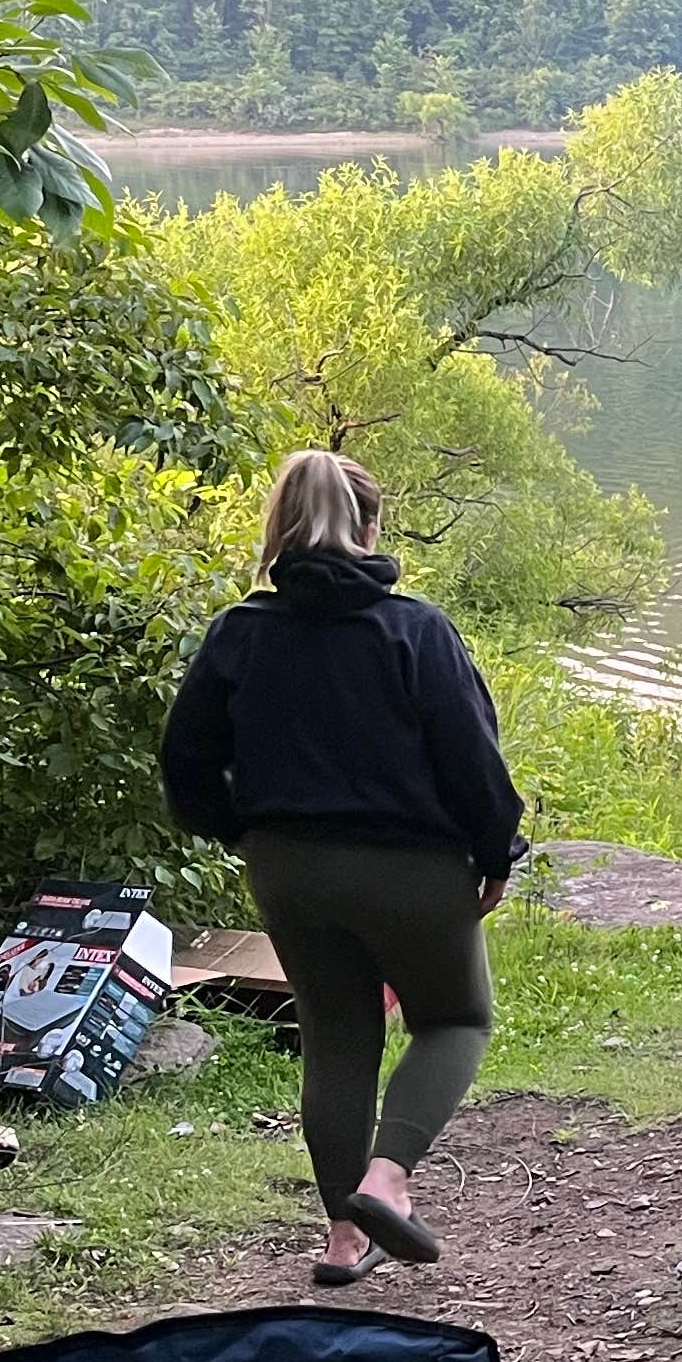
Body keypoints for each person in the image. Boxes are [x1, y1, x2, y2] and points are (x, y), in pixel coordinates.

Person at [160, 449, 523, 1285]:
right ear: (369, 528)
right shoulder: (414, 630)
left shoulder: (238, 636)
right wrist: (496, 848)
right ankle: (388, 1182)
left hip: (288, 868)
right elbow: (473, 761)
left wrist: (242, 833)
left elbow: (184, 763)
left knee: (336, 1039)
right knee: (453, 1021)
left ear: (279, 529)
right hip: (412, 866)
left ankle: (340, 1243)